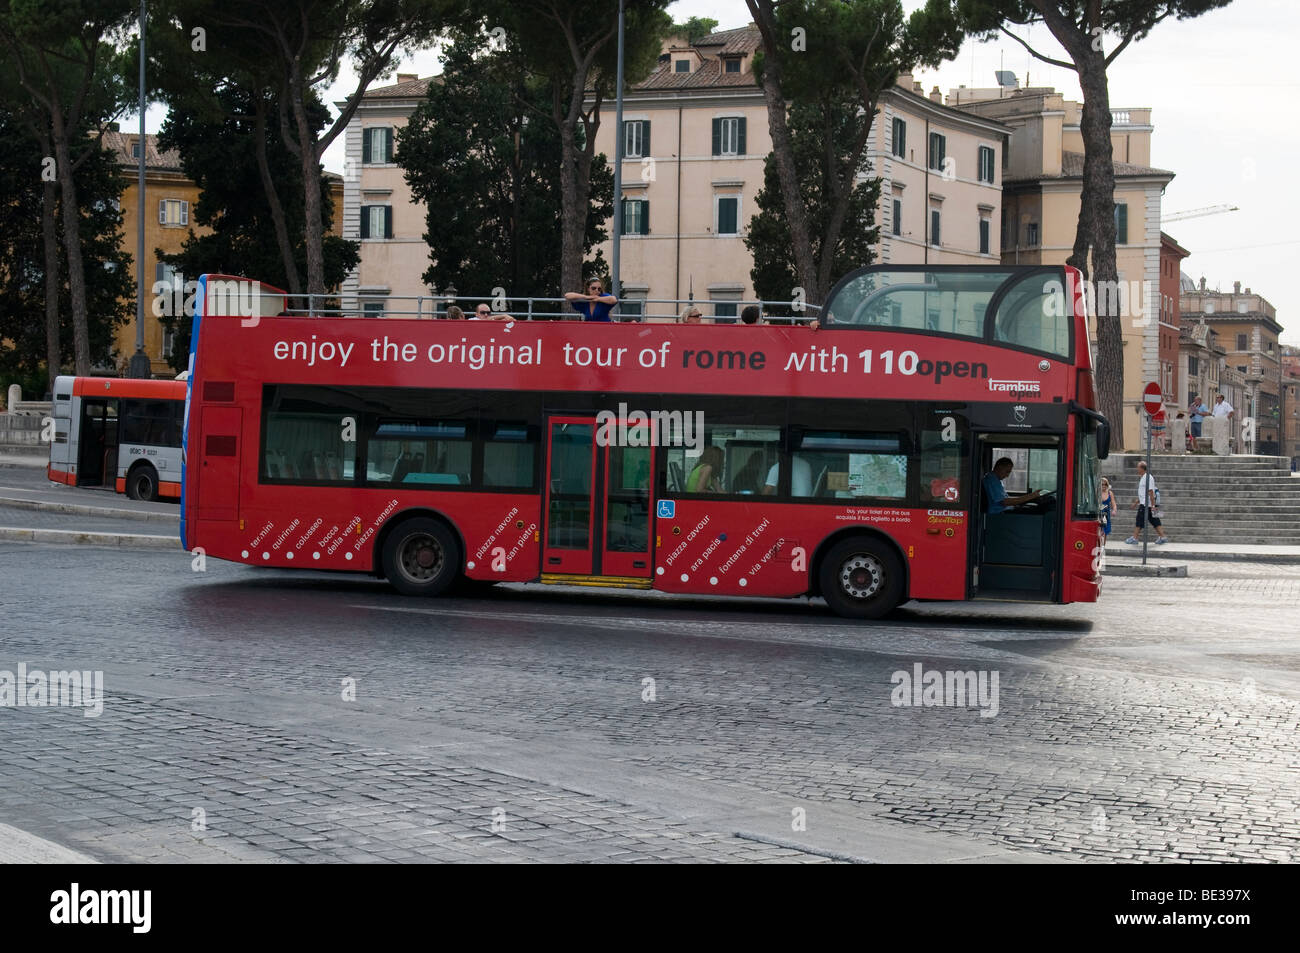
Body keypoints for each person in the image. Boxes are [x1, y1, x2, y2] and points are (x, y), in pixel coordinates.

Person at [1125, 460, 1167, 544]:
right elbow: (1143, 493)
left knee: (1139, 520)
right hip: (1146, 503)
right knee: (1155, 520)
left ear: (1142, 468)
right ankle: (1163, 537)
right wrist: (1136, 503)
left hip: (1147, 504)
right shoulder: (1144, 477)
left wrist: (1153, 505)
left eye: (1138, 467)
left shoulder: (1148, 477)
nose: (1137, 469)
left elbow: (1151, 491)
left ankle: (1135, 538)